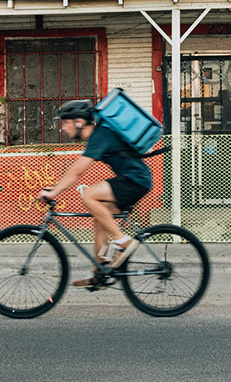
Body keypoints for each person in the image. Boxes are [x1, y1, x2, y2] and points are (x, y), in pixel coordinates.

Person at [36, 99, 152, 287]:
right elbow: (77, 171)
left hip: (135, 181)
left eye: (65, 123)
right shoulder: (98, 136)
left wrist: (54, 192)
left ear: (79, 122)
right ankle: (101, 270)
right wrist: (55, 189)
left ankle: (123, 241)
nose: (63, 128)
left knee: (89, 194)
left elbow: (78, 171)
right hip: (133, 180)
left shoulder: (101, 135)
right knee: (100, 218)